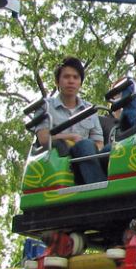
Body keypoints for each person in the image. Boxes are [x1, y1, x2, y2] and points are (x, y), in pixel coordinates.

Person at [37, 56, 106, 184]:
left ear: (80, 82)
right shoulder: (45, 107)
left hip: (89, 157)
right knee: (84, 144)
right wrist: (71, 137)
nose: (71, 81)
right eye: (66, 77)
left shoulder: (90, 109)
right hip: (62, 160)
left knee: (113, 150)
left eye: (75, 77)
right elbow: (43, 138)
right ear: (57, 82)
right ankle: (100, 190)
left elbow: (99, 143)